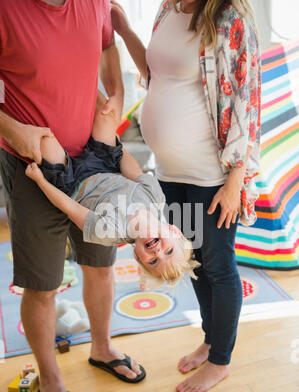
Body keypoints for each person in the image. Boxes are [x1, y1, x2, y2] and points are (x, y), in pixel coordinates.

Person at [0, 0, 143, 392]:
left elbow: (105, 47)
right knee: (42, 284)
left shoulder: (95, 2)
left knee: (101, 265)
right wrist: (12, 128)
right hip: (31, 165)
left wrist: (115, 94)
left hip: (95, 163)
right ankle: (50, 380)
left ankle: (102, 347)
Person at [111, 0, 261, 392]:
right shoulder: (167, 9)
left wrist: (235, 181)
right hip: (169, 173)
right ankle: (211, 339)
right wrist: (126, 30)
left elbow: (246, 101)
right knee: (191, 261)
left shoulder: (229, 16)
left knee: (219, 267)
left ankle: (220, 361)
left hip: (211, 175)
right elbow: (154, 74)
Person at [25, 91, 198, 286]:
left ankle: (36, 95)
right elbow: (132, 169)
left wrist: (40, 180)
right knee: (107, 114)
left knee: (45, 139)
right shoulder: (156, 199)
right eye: (169, 251)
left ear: (138, 256)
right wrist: (114, 143)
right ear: (173, 230)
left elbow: (69, 207)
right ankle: (80, 79)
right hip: (104, 164)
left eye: (154, 261)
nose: (158, 252)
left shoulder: (109, 233)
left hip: (71, 180)